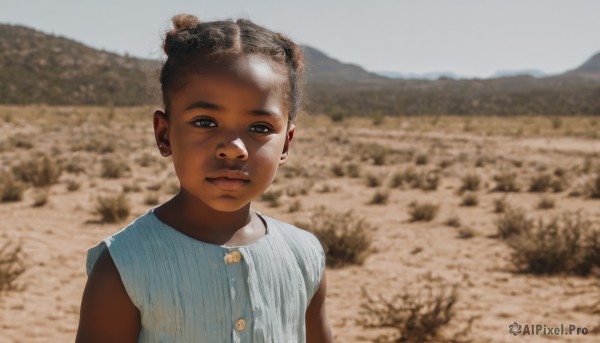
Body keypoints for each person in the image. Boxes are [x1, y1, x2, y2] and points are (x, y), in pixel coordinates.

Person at [75, 14, 333, 343]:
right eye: (205, 122)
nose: (234, 148)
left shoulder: (303, 256)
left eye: (260, 128)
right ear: (164, 134)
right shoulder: (124, 266)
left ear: (286, 142)